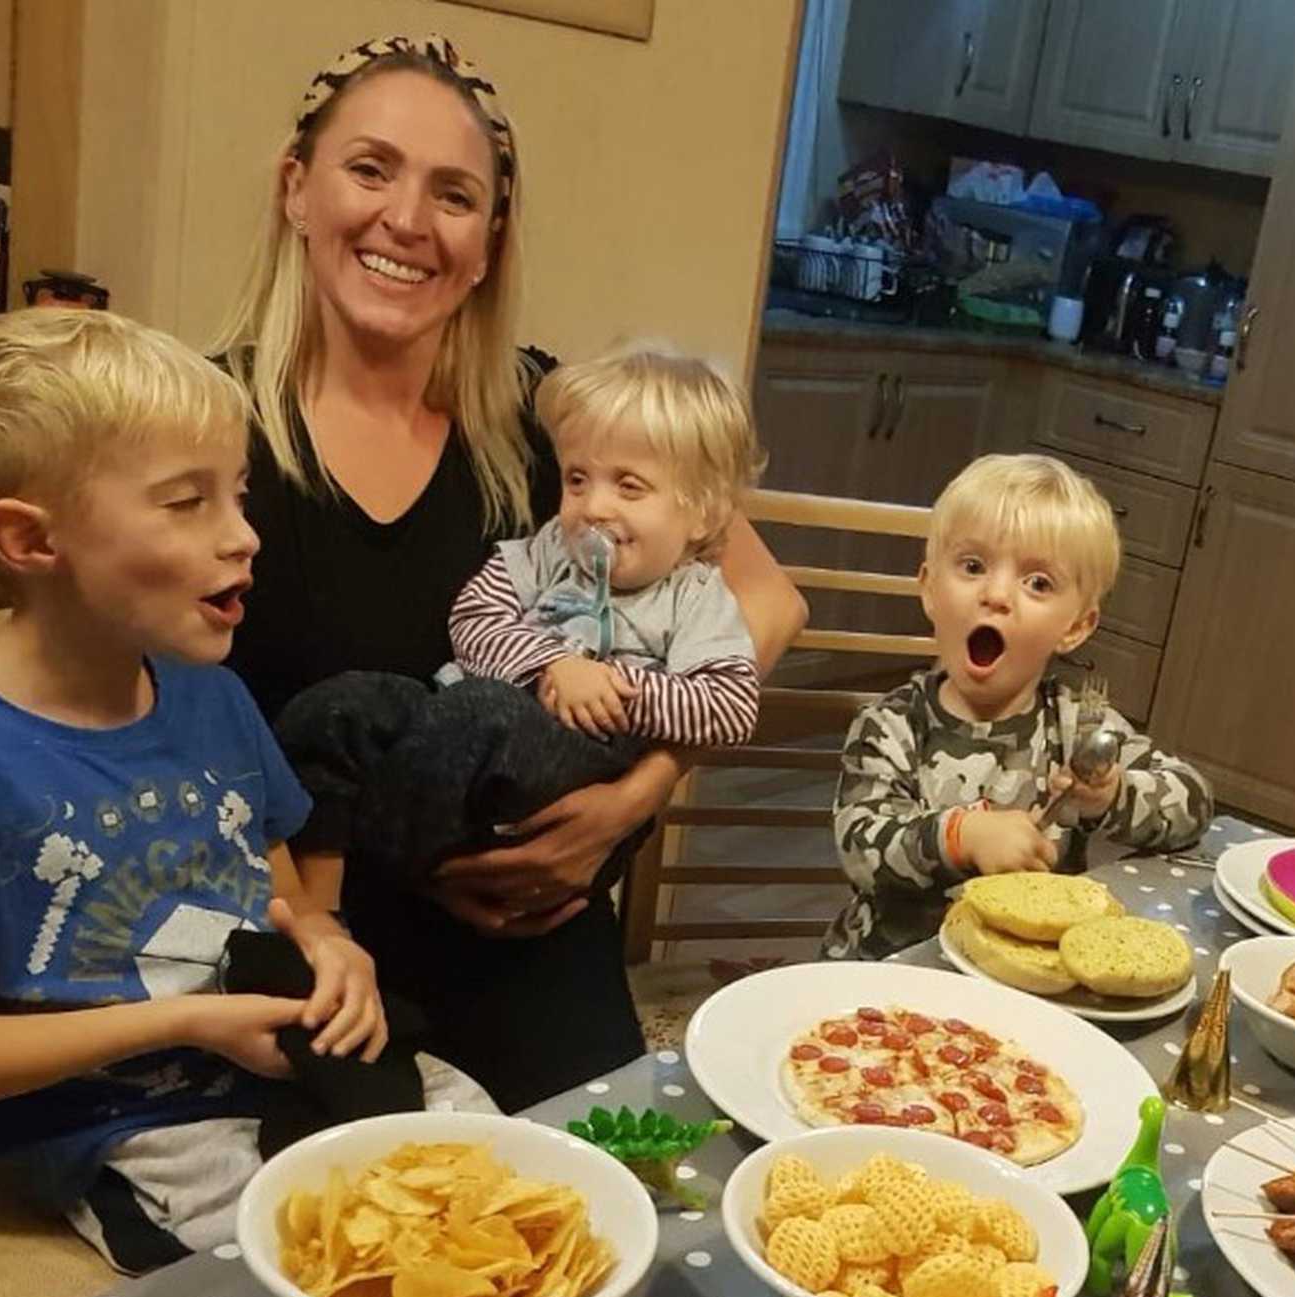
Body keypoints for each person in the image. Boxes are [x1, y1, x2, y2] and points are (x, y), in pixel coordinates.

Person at [0, 309, 493, 1273]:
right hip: (116, 1123)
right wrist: (187, 1021)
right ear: (30, 539)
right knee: (329, 1256)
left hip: (271, 1060)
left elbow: (288, 906)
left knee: (488, 1167)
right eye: (187, 504)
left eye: (240, 496)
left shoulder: (213, 697)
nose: (244, 537)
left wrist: (333, 951)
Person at [210, 34, 806, 1109]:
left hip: (532, 910)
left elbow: (766, 597)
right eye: (370, 169)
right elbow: (149, 724)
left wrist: (630, 798)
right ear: (297, 189)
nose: (407, 220)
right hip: (301, 917)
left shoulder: (549, 418)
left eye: (454, 194)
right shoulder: (207, 426)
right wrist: (307, 920)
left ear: (488, 241)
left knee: (616, 1181)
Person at [275, 342, 766, 890]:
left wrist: (613, 691)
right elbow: (474, 617)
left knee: (486, 708)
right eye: (578, 479)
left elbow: (730, 705)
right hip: (458, 723)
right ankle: (319, 899)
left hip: (576, 767)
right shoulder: (550, 548)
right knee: (343, 703)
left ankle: (391, 869)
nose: (594, 507)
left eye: (629, 486)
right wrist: (553, 667)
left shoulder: (695, 597)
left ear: (703, 513)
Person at [822, 454, 1215, 959]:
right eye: (972, 566)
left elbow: (1195, 802)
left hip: (1028, 980)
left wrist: (1112, 797)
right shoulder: (891, 725)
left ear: (1075, 626)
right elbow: (861, 847)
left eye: (1038, 583)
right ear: (929, 589)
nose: (997, 594)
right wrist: (961, 836)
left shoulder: (1080, 726)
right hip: (890, 971)